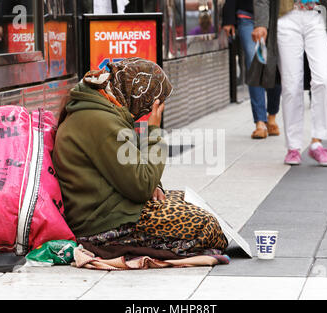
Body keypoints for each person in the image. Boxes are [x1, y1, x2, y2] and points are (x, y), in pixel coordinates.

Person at [52, 58, 228, 258]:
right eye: (149, 106)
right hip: (103, 224)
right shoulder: (101, 120)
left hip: (110, 207)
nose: (143, 113)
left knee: (185, 199)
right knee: (208, 227)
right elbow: (142, 185)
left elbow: (136, 169)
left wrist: (156, 186)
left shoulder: (101, 109)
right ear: (138, 95)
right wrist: (153, 132)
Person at [250, 0, 327, 166]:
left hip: (316, 15)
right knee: (291, 85)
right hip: (286, 17)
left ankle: (317, 142)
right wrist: (261, 23)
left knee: (324, 78)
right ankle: (293, 147)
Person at [222, 0, 282, 139]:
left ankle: (272, 115)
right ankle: (260, 122)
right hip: (247, 17)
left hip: (274, 18)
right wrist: (228, 18)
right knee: (254, 64)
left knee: (275, 65)